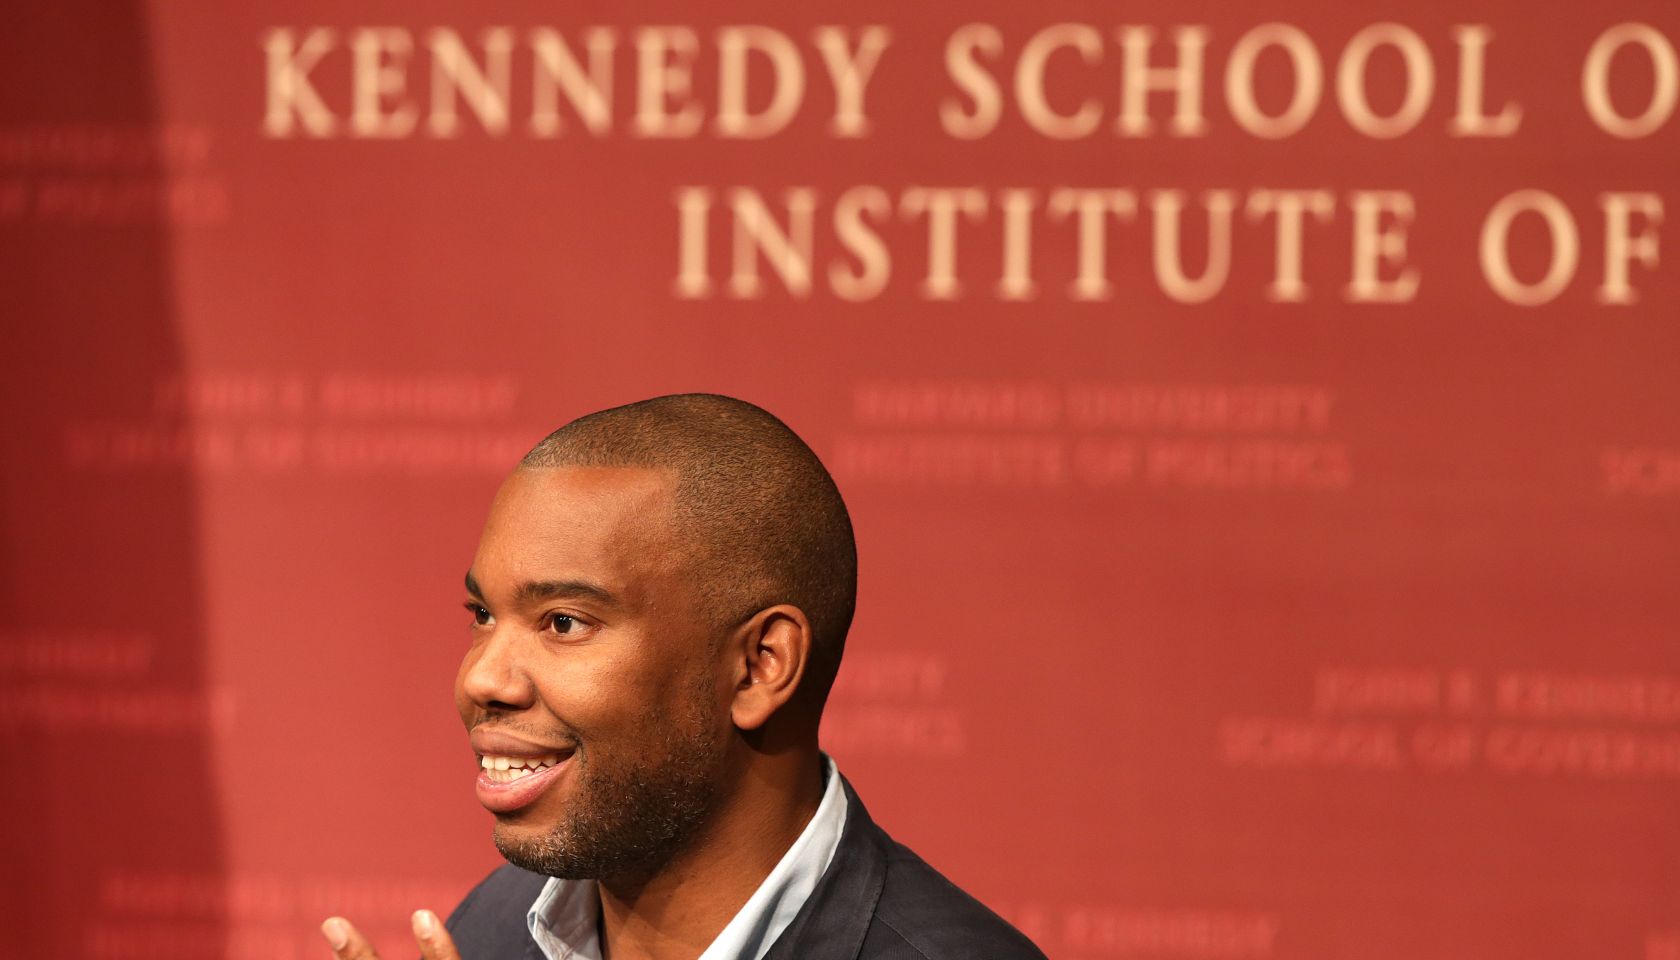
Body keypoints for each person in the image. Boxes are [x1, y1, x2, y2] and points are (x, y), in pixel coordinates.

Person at [319, 394, 1046, 960]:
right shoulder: (493, 929)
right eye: (482, 613)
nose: (482, 678)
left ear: (759, 666)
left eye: (563, 623)